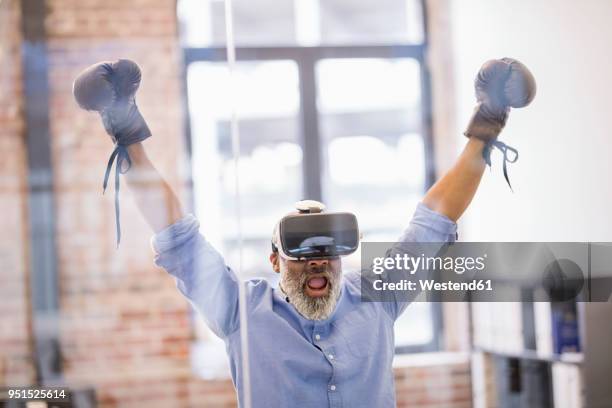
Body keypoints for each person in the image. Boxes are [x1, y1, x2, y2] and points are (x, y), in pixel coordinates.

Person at [73, 57, 535, 407]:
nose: (317, 260)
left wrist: (488, 121)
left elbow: (434, 219)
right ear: (275, 260)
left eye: (327, 248)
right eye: (300, 249)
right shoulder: (242, 311)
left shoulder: (380, 294)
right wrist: (125, 128)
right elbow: (175, 232)